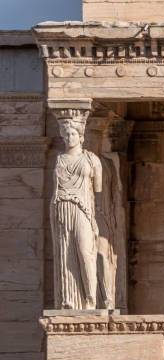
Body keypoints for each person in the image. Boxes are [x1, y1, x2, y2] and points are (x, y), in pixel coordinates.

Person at [51, 114, 102, 310]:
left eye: (73, 133)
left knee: (85, 252)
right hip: (62, 208)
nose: (69, 137)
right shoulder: (58, 160)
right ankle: (69, 300)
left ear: (81, 136)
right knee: (65, 253)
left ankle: (90, 299)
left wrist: (99, 220)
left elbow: (99, 192)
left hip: (84, 209)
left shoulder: (92, 159)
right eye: (66, 134)